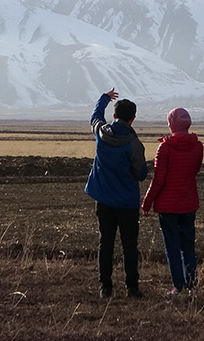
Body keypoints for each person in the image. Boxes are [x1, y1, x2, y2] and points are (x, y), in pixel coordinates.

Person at [85, 87, 148, 299]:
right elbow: (140, 174)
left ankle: (106, 287)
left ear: (114, 116)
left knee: (106, 243)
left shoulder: (101, 133)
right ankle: (132, 287)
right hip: (127, 202)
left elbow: (95, 118)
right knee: (130, 245)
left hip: (103, 200)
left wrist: (104, 98)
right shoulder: (134, 144)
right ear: (133, 119)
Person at [142, 108, 204, 297]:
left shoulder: (165, 147)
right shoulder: (198, 146)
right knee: (188, 245)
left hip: (167, 205)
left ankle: (178, 285)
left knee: (172, 245)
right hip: (188, 201)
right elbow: (193, 171)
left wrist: (147, 201)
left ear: (171, 124)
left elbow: (158, 179)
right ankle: (192, 283)